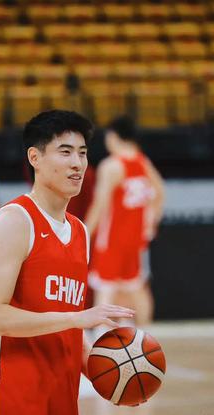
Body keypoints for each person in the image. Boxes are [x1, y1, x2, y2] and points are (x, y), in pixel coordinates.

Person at [0, 110, 134, 414]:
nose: (77, 163)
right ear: (35, 157)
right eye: (65, 152)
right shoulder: (13, 222)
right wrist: (74, 319)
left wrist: (114, 376)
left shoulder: (80, 232)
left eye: (82, 153)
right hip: (10, 399)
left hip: (61, 398)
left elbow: (69, 332)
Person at [85, 115, 164, 328]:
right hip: (135, 239)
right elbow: (160, 192)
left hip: (112, 238)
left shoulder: (111, 166)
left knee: (105, 289)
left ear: (113, 136)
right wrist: (151, 221)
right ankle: (145, 334)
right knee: (136, 288)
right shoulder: (143, 162)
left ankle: (101, 338)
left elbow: (100, 206)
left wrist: (83, 233)